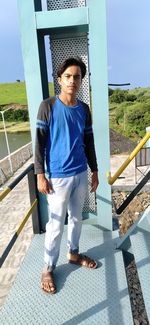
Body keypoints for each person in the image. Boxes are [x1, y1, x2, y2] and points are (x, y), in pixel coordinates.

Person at [34, 57, 99, 294]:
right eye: (68, 76)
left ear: (82, 80)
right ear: (60, 79)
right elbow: (39, 144)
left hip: (81, 173)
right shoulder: (48, 106)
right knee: (55, 225)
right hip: (57, 178)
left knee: (76, 218)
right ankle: (48, 267)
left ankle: (73, 254)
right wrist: (40, 174)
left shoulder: (84, 109)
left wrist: (95, 170)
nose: (72, 80)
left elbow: (89, 142)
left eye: (77, 76)